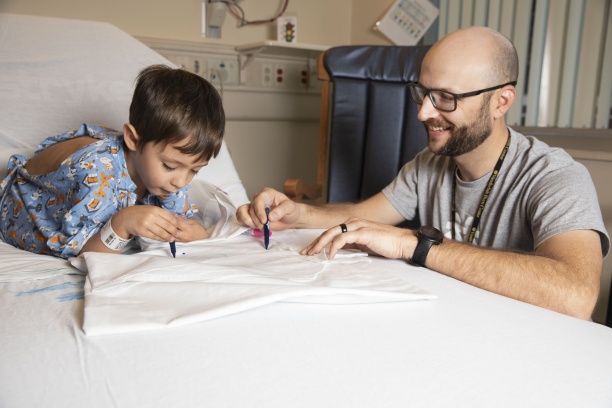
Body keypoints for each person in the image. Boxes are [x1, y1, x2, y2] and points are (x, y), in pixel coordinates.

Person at [237, 26, 610, 320]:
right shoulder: (430, 164)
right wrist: (297, 214)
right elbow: (362, 217)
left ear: (501, 101)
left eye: (446, 97)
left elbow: (576, 297)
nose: (423, 113)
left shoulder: (556, 177)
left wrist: (414, 244)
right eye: (423, 93)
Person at [0, 64, 225, 259]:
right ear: (133, 140)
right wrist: (122, 224)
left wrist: (196, 234)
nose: (181, 181)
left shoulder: (166, 173)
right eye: (170, 166)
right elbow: (87, 255)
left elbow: (178, 215)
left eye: (195, 170)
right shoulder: (97, 174)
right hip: (19, 208)